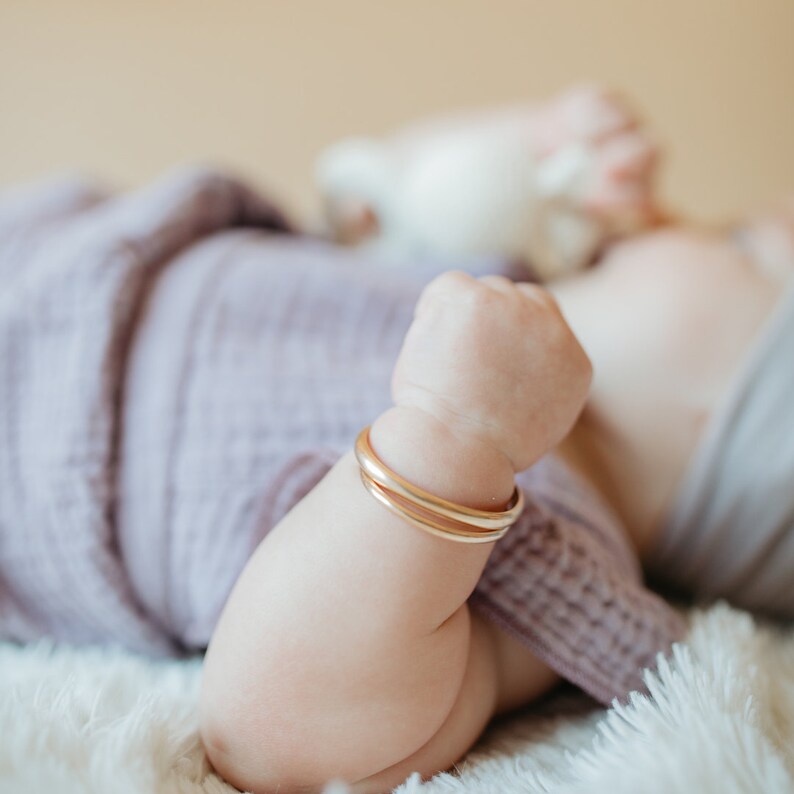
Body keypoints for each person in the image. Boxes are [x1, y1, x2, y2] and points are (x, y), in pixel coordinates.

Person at [0, 88, 791, 794]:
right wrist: (517, 151)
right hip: (58, 252)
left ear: (732, 422)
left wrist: (455, 436)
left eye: (736, 245)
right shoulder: (480, 276)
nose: (668, 221)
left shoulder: (563, 561)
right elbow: (367, 200)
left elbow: (282, 733)